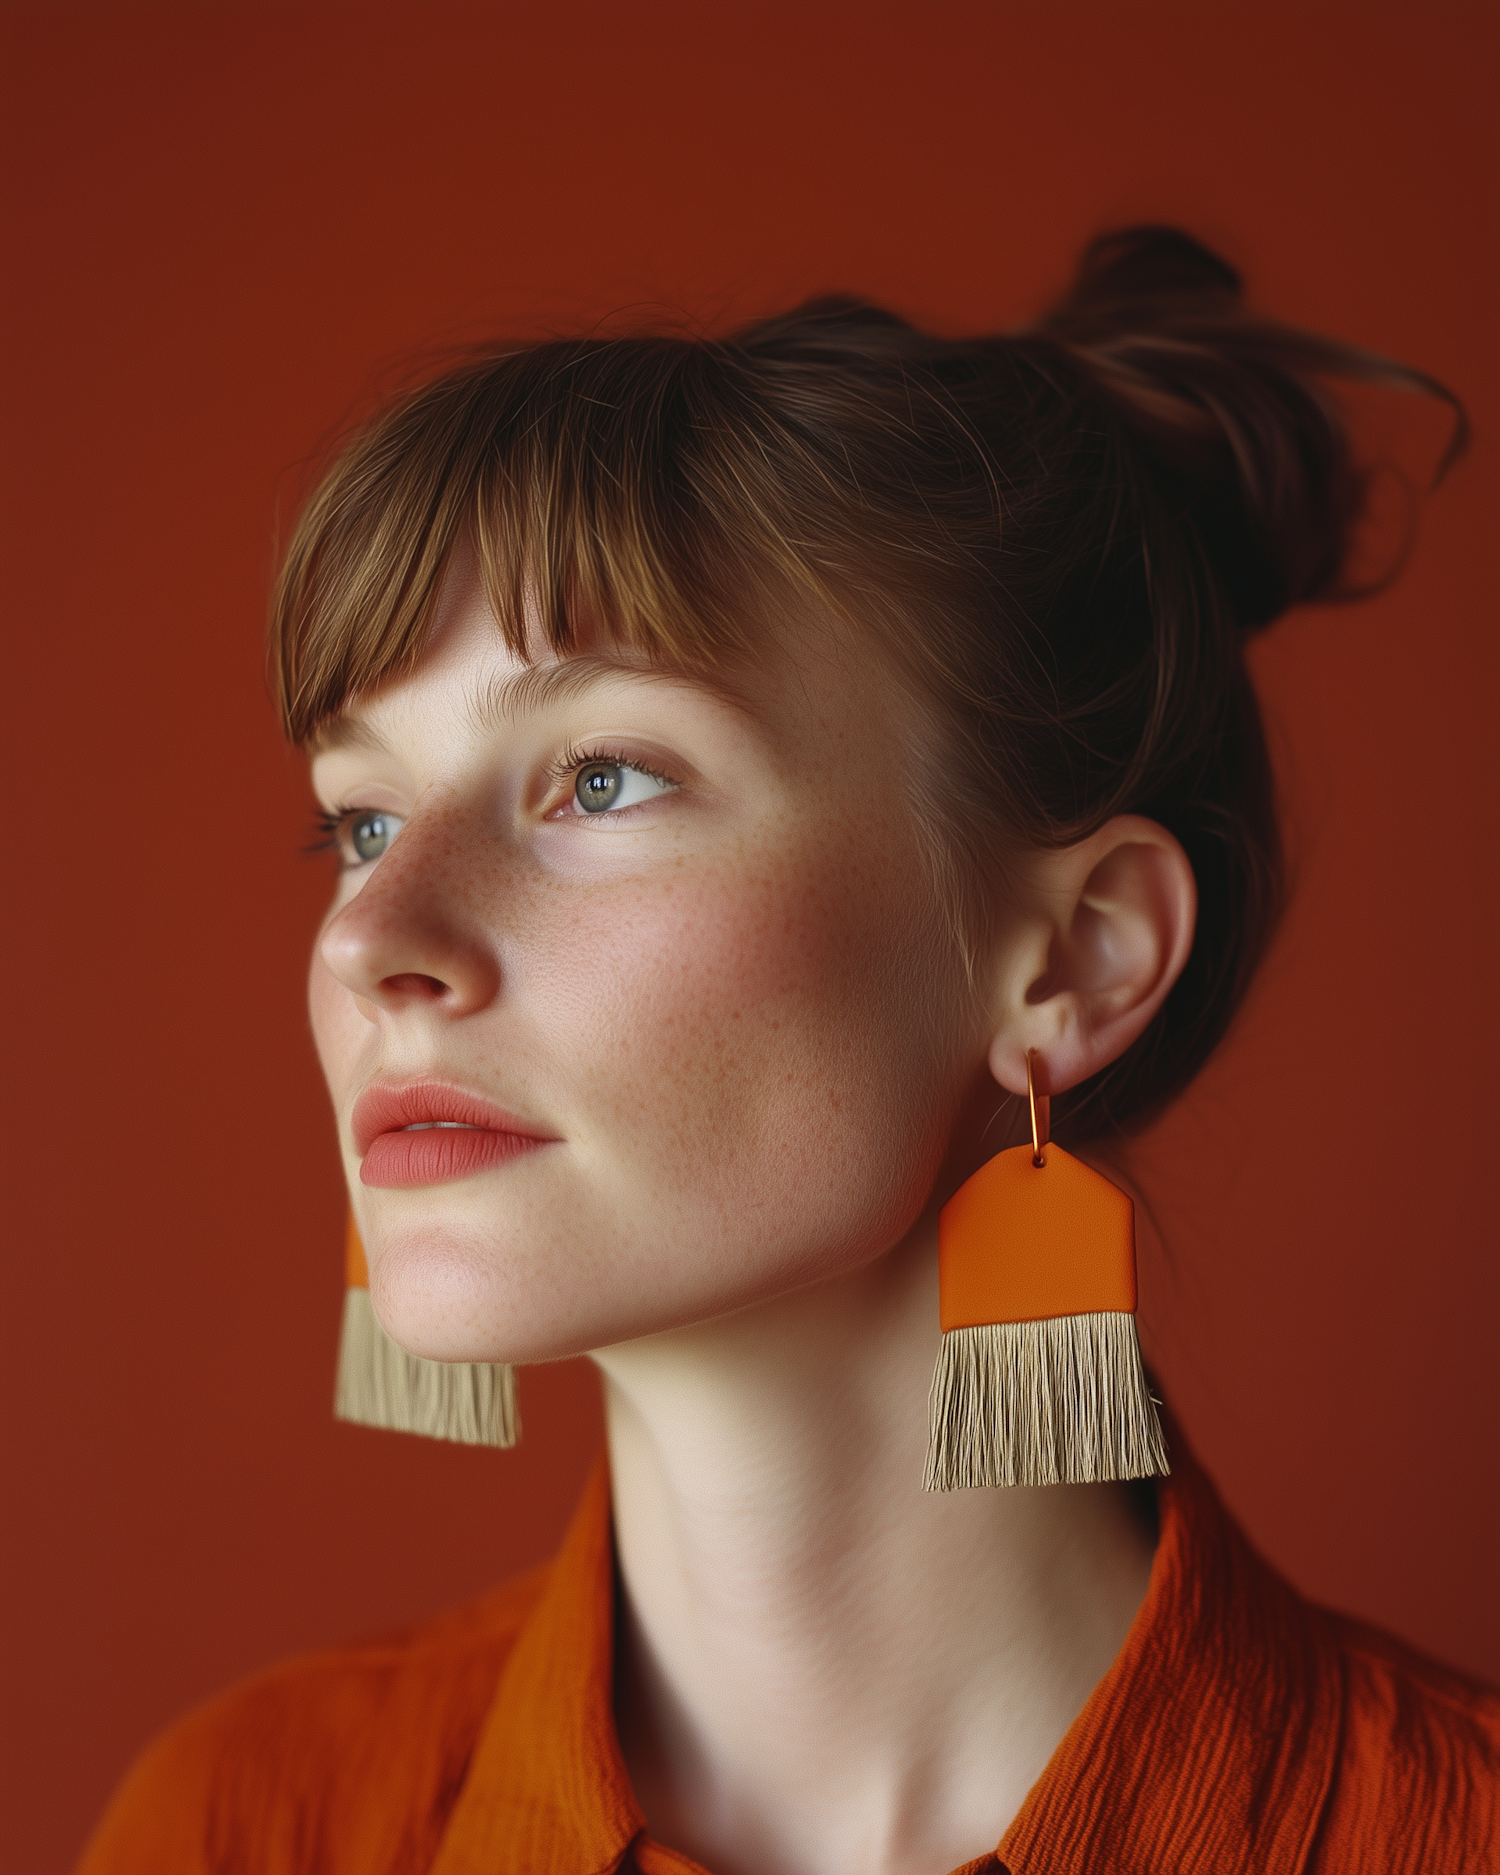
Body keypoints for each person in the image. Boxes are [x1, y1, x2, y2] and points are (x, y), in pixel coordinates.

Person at [79, 228, 1495, 1874]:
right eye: (363, 818)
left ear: (1081, 956)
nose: (369, 939)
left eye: (602, 774)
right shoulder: (237, 1830)